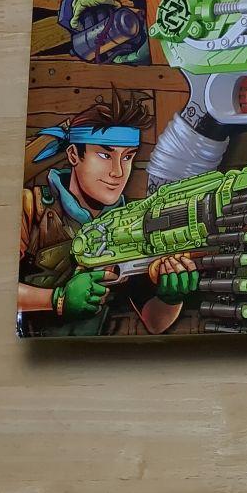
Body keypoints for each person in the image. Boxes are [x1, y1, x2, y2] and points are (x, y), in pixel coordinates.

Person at [17, 89, 198, 336]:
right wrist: (56, 300)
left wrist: (170, 298)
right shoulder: (31, 207)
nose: (118, 172)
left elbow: (155, 322)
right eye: (105, 155)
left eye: (128, 157)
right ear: (73, 155)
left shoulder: (136, 222)